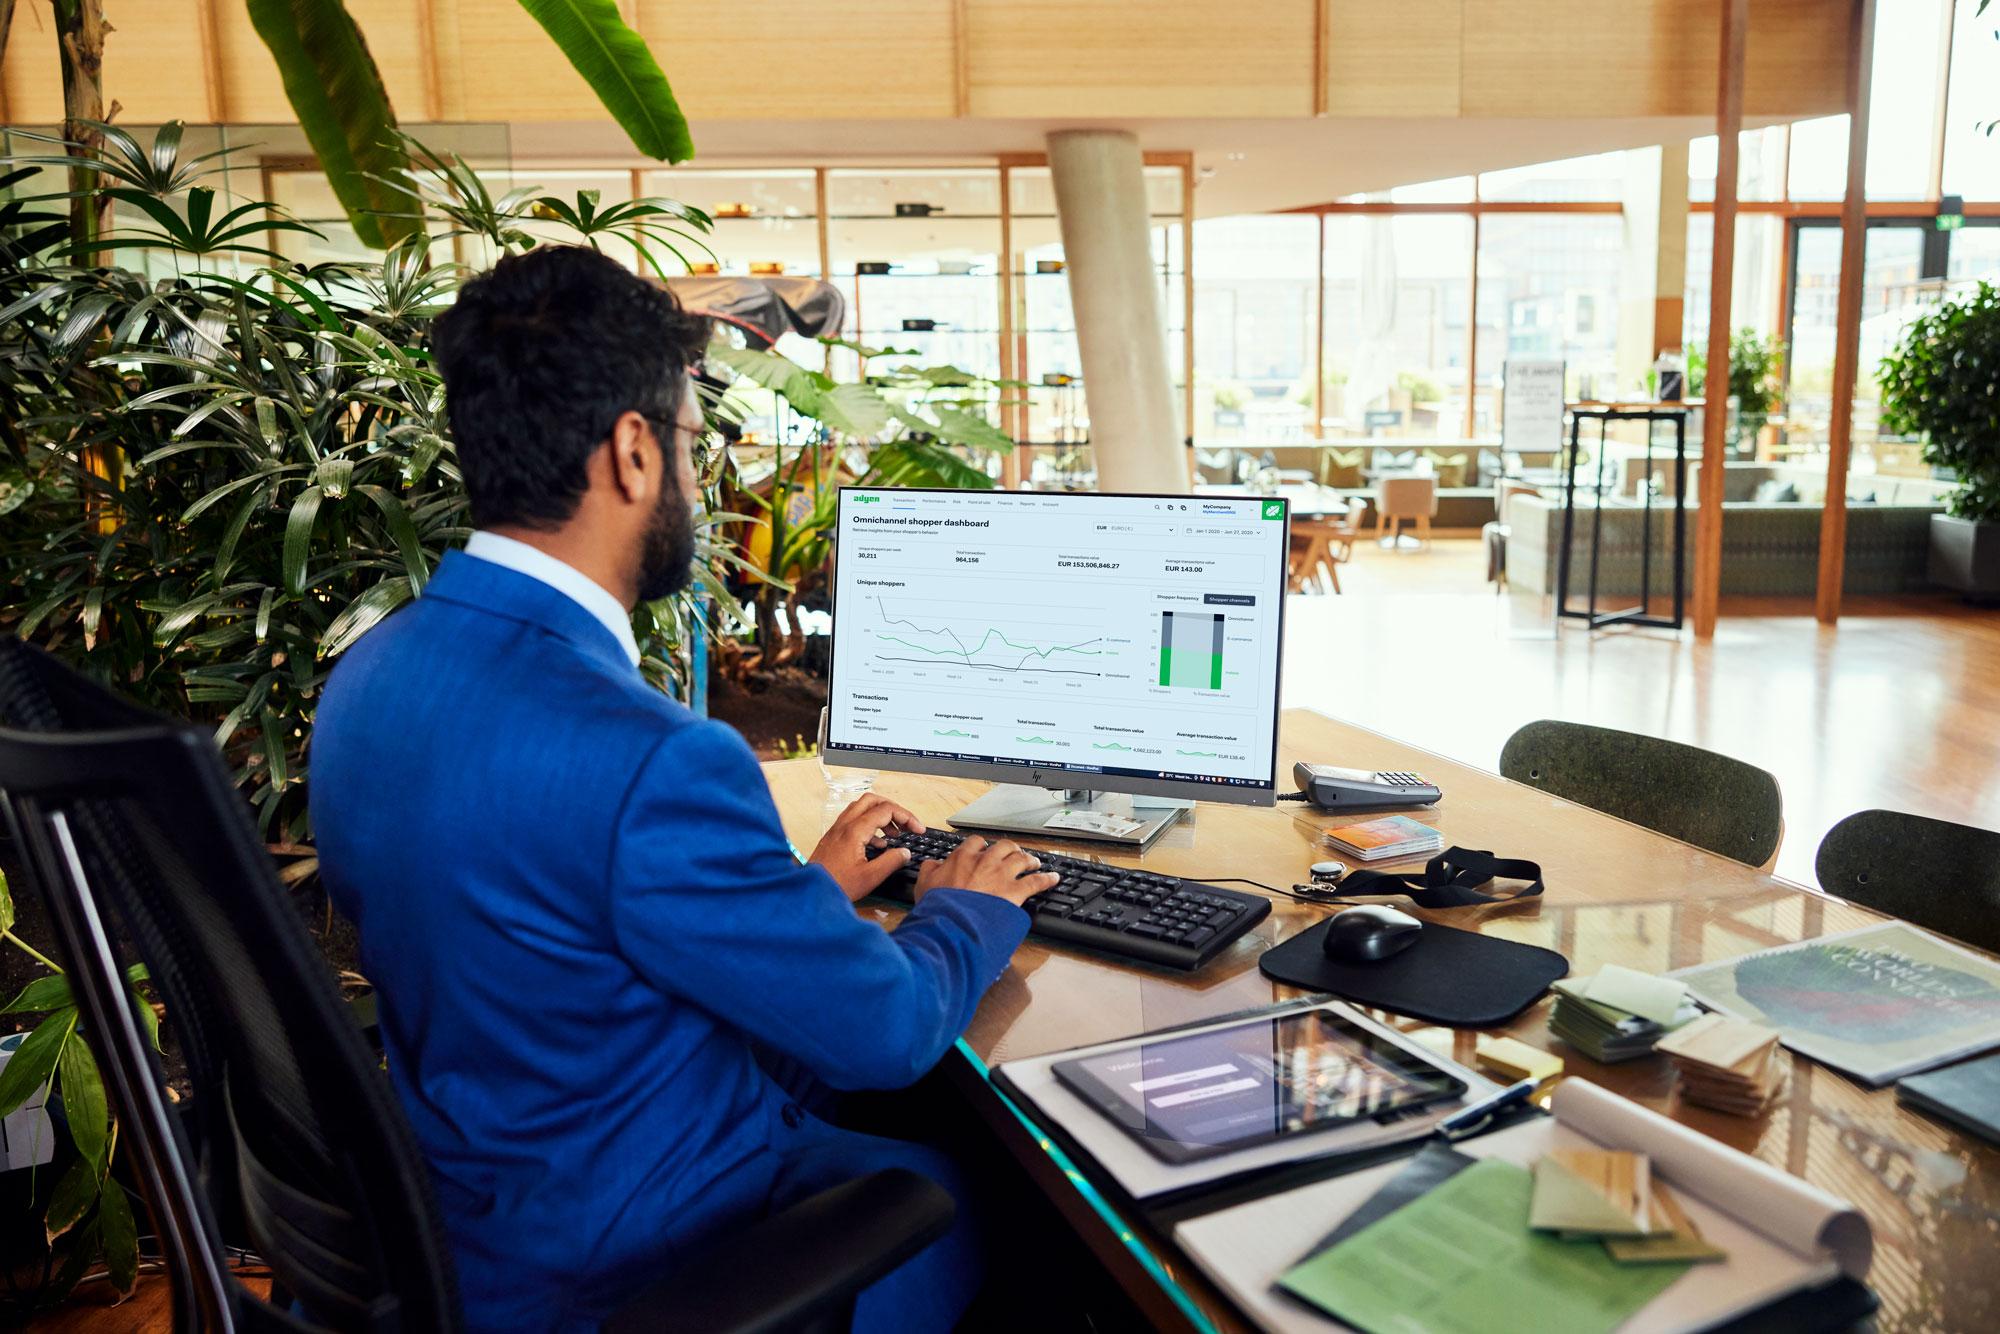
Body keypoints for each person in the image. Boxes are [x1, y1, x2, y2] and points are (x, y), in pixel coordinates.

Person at [309, 245, 1057, 1332]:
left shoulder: (371, 675)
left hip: (461, 1218)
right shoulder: (651, 754)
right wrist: (967, 909)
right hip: (633, 1250)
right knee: (1007, 1190)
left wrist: (792, 896)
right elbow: (887, 1027)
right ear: (630, 451)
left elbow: (538, 937)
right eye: (692, 446)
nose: (698, 486)